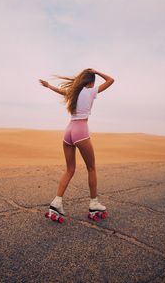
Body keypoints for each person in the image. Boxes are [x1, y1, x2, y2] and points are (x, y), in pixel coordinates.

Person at [39, 68, 114, 221]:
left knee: (69, 170)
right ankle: (94, 203)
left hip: (68, 131)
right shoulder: (92, 91)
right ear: (91, 81)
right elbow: (111, 80)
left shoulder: (74, 92)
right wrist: (97, 71)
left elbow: (61, 91)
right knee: (91, 168)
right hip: (81, 131)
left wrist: (48, 86)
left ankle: (57, 202)